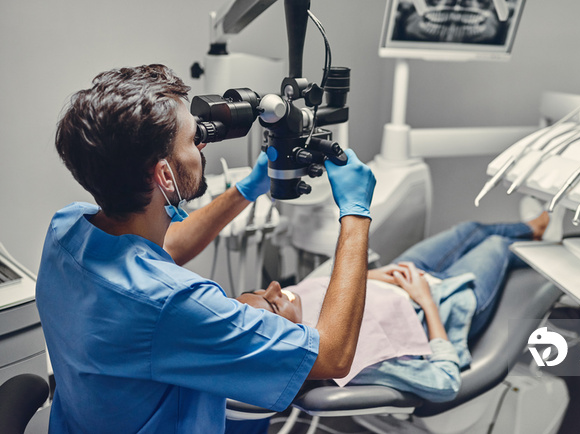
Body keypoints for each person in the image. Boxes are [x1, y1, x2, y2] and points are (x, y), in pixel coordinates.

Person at [35, 64, 376, 433]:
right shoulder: (175, 305)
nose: (202, 143)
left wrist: (248, 188)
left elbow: (160, 253)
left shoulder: (66, 229)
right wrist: (356, 213)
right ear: (165, 176)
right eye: (193, 138)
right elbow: (332, 355)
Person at [237, 212, 550, 402]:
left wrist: (370, 276)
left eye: (260, 291)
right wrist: (426, 300)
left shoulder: (292, 300)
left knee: (469, 230)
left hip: (401, 279)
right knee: (496, 245)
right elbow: (444, 383)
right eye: (272, 303)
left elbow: (329, 287)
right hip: (446, 300)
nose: (276, 288)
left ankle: (535, 228)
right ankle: (552, 245)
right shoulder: (353, 360)